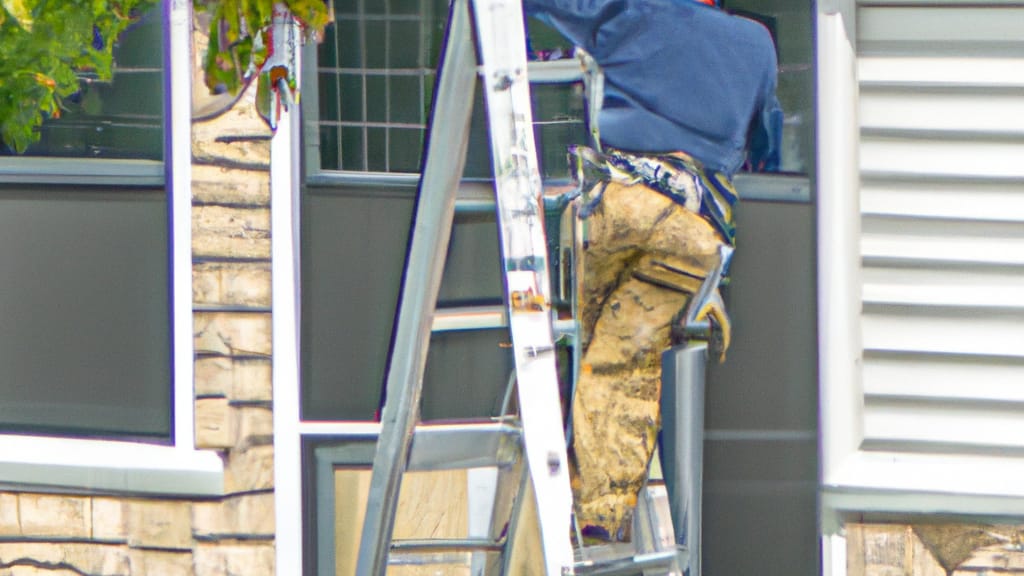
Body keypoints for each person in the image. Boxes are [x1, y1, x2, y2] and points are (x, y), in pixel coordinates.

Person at [524, 0, 783, 542]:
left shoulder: (635, 12)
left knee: (586, 344)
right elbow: (768, 145)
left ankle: (571, 494)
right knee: (627, 355)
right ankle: (598, 513)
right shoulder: (757, 42)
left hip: (615, 209)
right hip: (693, 231)